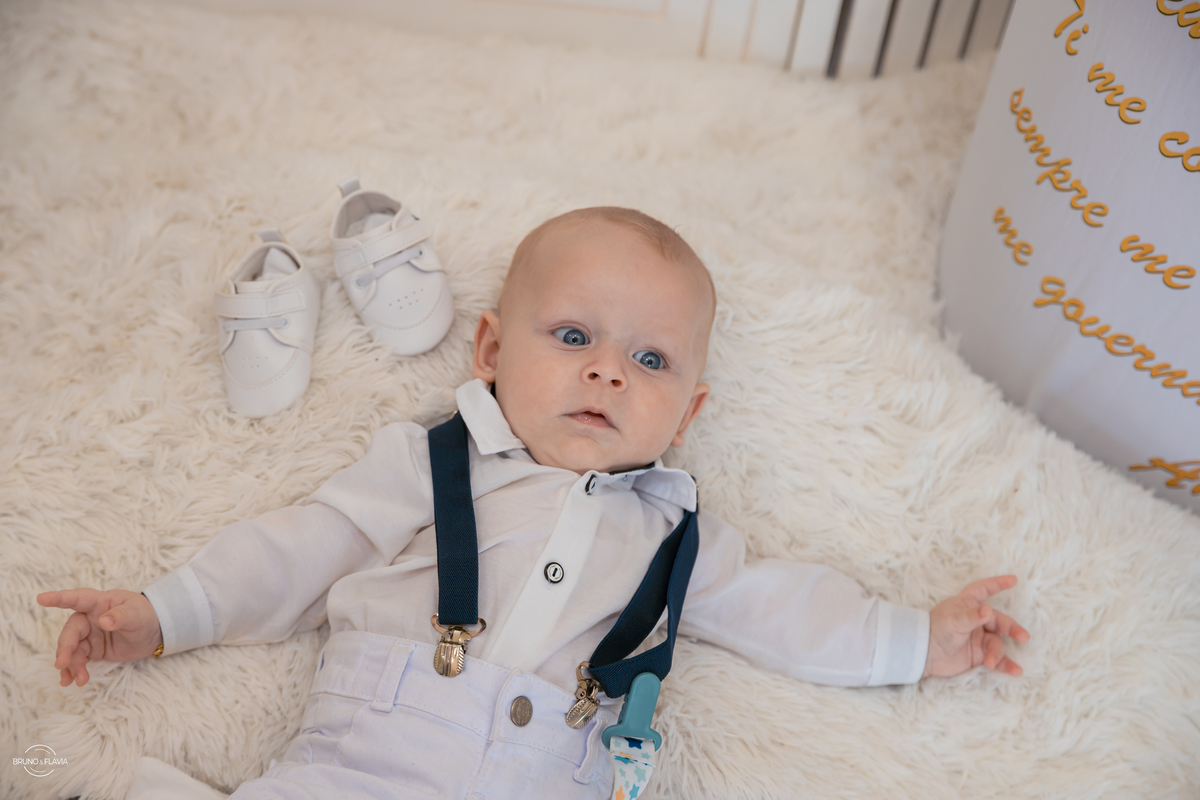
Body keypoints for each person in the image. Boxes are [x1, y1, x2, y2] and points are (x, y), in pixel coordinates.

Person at [37, 207, 1030, 799]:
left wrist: (916, 641)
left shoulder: (676, 534)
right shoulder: (435, 460)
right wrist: (165, 613)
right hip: (367, 762)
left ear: (690, 411)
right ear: (491, 350)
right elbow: (304, 547)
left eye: (651, 359)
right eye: (573, 337)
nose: (608, 372)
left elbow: (784, 607)